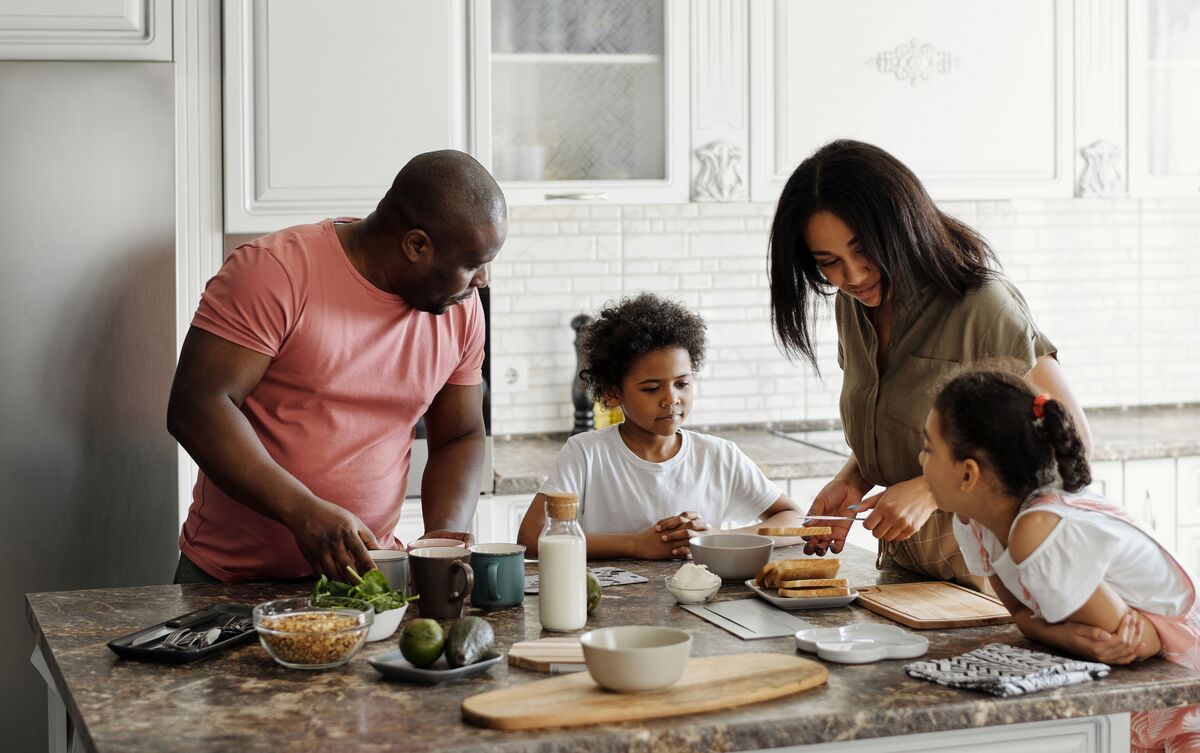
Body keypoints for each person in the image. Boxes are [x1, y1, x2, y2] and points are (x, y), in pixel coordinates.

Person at [167, 150, 506, 583]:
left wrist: (443, 539)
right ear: (416, 245)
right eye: (473, 264)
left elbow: (459, 435)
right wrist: (301, 512)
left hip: (364, 578)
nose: (483, 281)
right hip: (230, 581)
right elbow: (197, 406)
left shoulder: (459, 309)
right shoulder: (274, 272)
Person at [768, 138, 1091, 589]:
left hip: (994, 578)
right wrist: (855, 478)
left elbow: (1066, 445)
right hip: (908, 571)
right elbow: (915, 426)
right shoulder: (854, 304)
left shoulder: (982, 304)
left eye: (864, 250)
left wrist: (930, 491)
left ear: (902, 227)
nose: (853, 276)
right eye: (829, 262)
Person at [922, 367, 1198, 752]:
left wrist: (1058, 633)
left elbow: (1121, 643)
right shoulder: (975, 523)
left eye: (929, 448)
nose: (920, 460)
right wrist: (1060, 634)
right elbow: (1021, 615)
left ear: (968, 474)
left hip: (1180, 680)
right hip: (1138, 689)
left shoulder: (1036, 532)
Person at [516, 293, 808, 559]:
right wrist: (636, 544)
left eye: (682, 384)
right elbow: (531, 536)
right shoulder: (586, 453)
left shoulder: (719, 455)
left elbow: (795, 520)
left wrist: (715, 538)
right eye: (651, 388)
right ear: (613, 392)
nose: (671, 400)